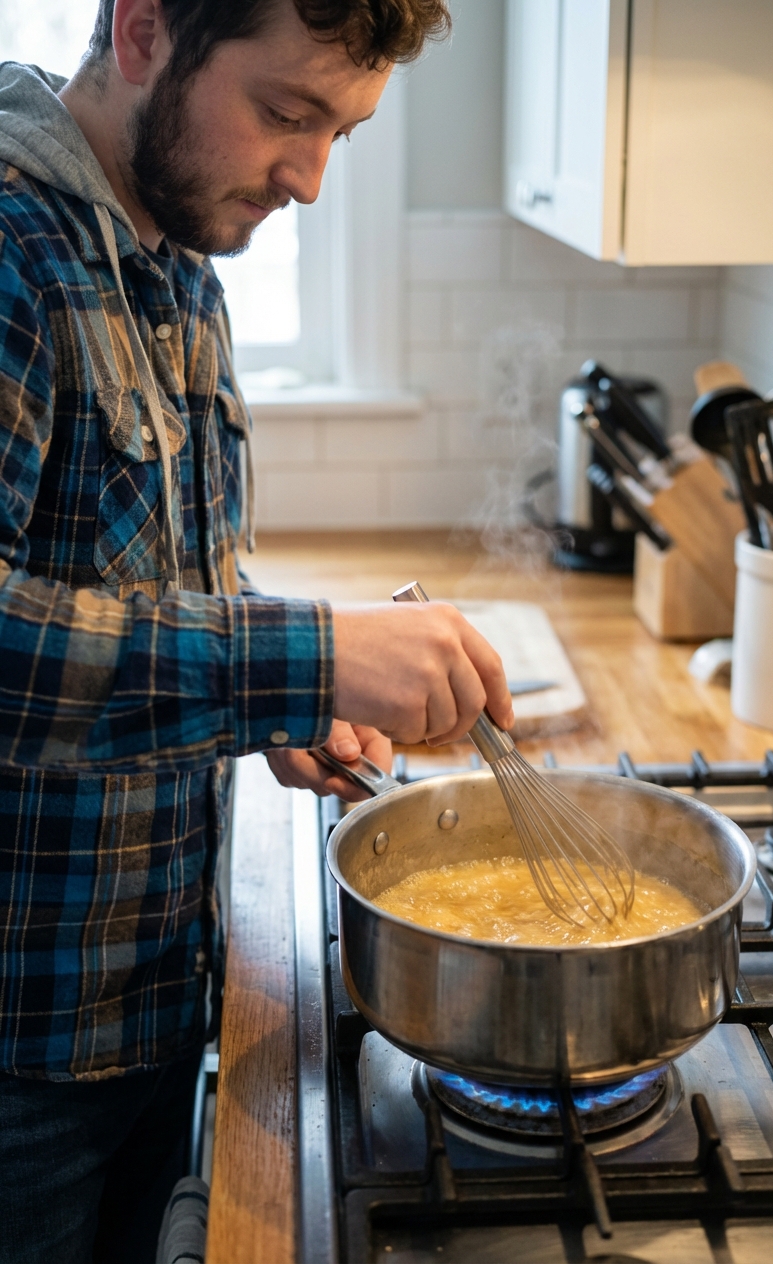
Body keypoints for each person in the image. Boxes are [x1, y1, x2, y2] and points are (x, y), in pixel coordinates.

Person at [0, 1, 513, 1260]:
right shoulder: (15, 254)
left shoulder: (173, 253)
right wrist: (311, 653)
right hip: (22, 1062)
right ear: (143, 31)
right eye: (286, 115)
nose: (310, 178)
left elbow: (134, 583)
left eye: (341, 131)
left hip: (154, 1002)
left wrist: (277, 701)